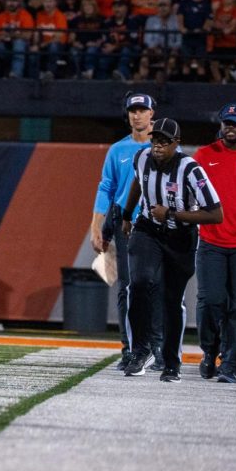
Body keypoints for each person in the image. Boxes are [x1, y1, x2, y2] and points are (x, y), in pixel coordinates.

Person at [121, 119, 223, 381]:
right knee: (140, 282)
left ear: (176, 144)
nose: (158, 147)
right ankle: (140, 350)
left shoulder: (191, 170)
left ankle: (171, 362)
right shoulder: (141, 157)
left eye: (165, 142)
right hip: (147, 229)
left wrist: (174, 214)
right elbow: (138, 183)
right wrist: (125, 214)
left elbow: (215, 214)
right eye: (155, 141)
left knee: (170, 299)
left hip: (181, 237)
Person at [192, 103, 236, 382]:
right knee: (210, 301)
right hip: (211, 241)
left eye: (235, 123)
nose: (230, 127)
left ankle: (231, 364)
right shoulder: (203, 155)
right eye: (226, 122)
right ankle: (210, 351)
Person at [90, 92, 158, 371]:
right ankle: (130, 348)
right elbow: (106, 187)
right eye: (133, 110)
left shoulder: (165, 147)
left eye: (142, 110)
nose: (137, 115)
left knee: (156, 287)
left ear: (152, 113)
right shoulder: (117, 150)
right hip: (124, 225)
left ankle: (157, 347)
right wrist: (97, 225)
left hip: (156, 225)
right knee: (127, 287)